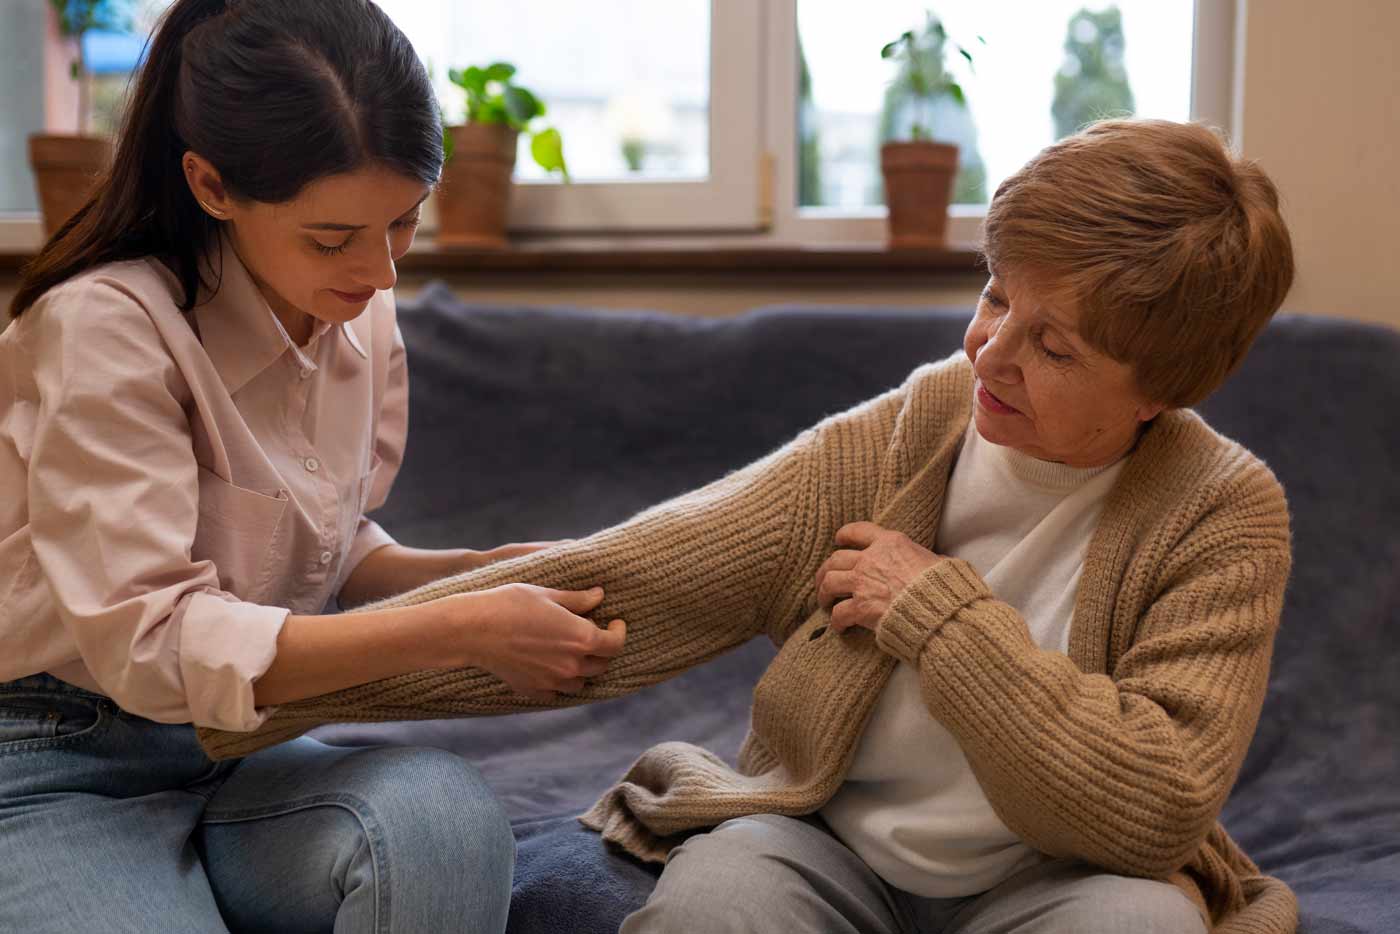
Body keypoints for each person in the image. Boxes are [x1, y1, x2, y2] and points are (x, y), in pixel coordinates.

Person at [200, 119, 1297, 933]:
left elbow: (1145, 811)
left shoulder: (1221, 513)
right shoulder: (906, 432)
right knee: (711, 902)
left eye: (1054, 348)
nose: (988, 352)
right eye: (995, 295)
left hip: (1063, 882)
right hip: (824, 844)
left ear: (1159, 391)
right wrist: (230, 695)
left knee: (1144, 923)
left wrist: (938, 614)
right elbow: (622, 587)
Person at [0, 1, 627, 931]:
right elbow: (150, 643)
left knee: (443, 824)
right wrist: (457, 629)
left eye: (404, 224)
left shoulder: (358, 311)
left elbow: (329, 541)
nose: (379, 272)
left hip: (243, 747)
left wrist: (485, 575)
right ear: (212, 186)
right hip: (53, 758)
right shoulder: (105, 327)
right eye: (333, 238)